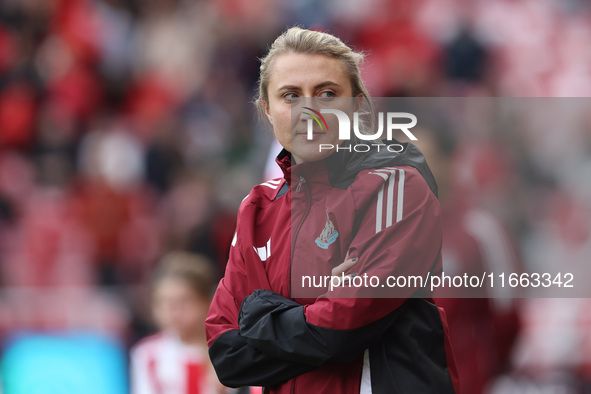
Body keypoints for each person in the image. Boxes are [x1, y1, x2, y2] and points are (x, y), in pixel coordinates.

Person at [205, 27, 460, 393]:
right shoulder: (256, 208)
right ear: (267, 109)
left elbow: (344, 327)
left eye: (327, 93)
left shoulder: (396, 187)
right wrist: (318, 303)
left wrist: (260, 314)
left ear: (357, 105)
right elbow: (226, 354)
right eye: (290, 95)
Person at [131, 252, 228, 394]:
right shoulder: (147, 354)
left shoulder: (227, 351)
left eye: (183, 301)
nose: (173, 312)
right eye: (163, 303)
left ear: (208, 301)